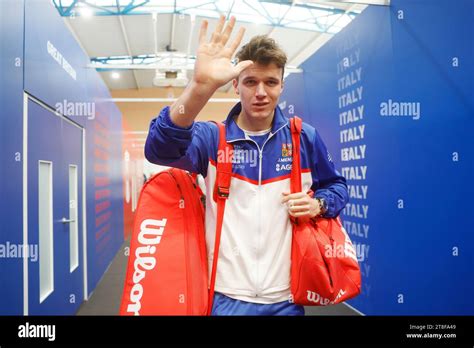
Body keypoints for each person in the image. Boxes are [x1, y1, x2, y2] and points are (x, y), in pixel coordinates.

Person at [145, 15, 349, 315]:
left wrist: (318, 204)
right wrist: (199, 87)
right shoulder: (212, 138)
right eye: (251, 82)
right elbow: (159, 149)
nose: (261, 92)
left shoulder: (304, 137)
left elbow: (337, 187)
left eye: (271, 82)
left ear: (282, 85)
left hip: (287, 297)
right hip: (226, 296)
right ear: (235, 85)